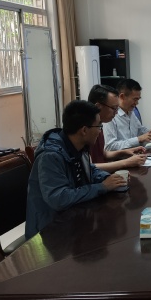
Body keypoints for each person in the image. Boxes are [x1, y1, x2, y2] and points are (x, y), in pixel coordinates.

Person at [25, 100, 128, 240]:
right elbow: (59, 198)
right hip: (51, 232)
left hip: (74, 218)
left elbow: (89, 170)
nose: (100, 131)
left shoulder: (78, 145)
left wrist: (107, 179)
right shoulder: (50, 156)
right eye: (99, 126)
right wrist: (102, 187)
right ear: (84, 130)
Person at [87, 84, 147, 172]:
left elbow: (102, 154)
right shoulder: (86, 130)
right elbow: (87, 167)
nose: (116, 113)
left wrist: (124, 152)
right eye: (114, 108)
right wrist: (126, 162)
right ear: (98, 107)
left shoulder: (99, 125)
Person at [104, 79, 151, 151]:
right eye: (135, 99)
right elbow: (110, 147)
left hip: (136, 154)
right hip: (123, 157)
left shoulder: (131, 112)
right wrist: (138, 139)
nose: (137, 103)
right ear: (122, 97)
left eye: (138, 99)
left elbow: (141, 131)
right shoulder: (110, 117)